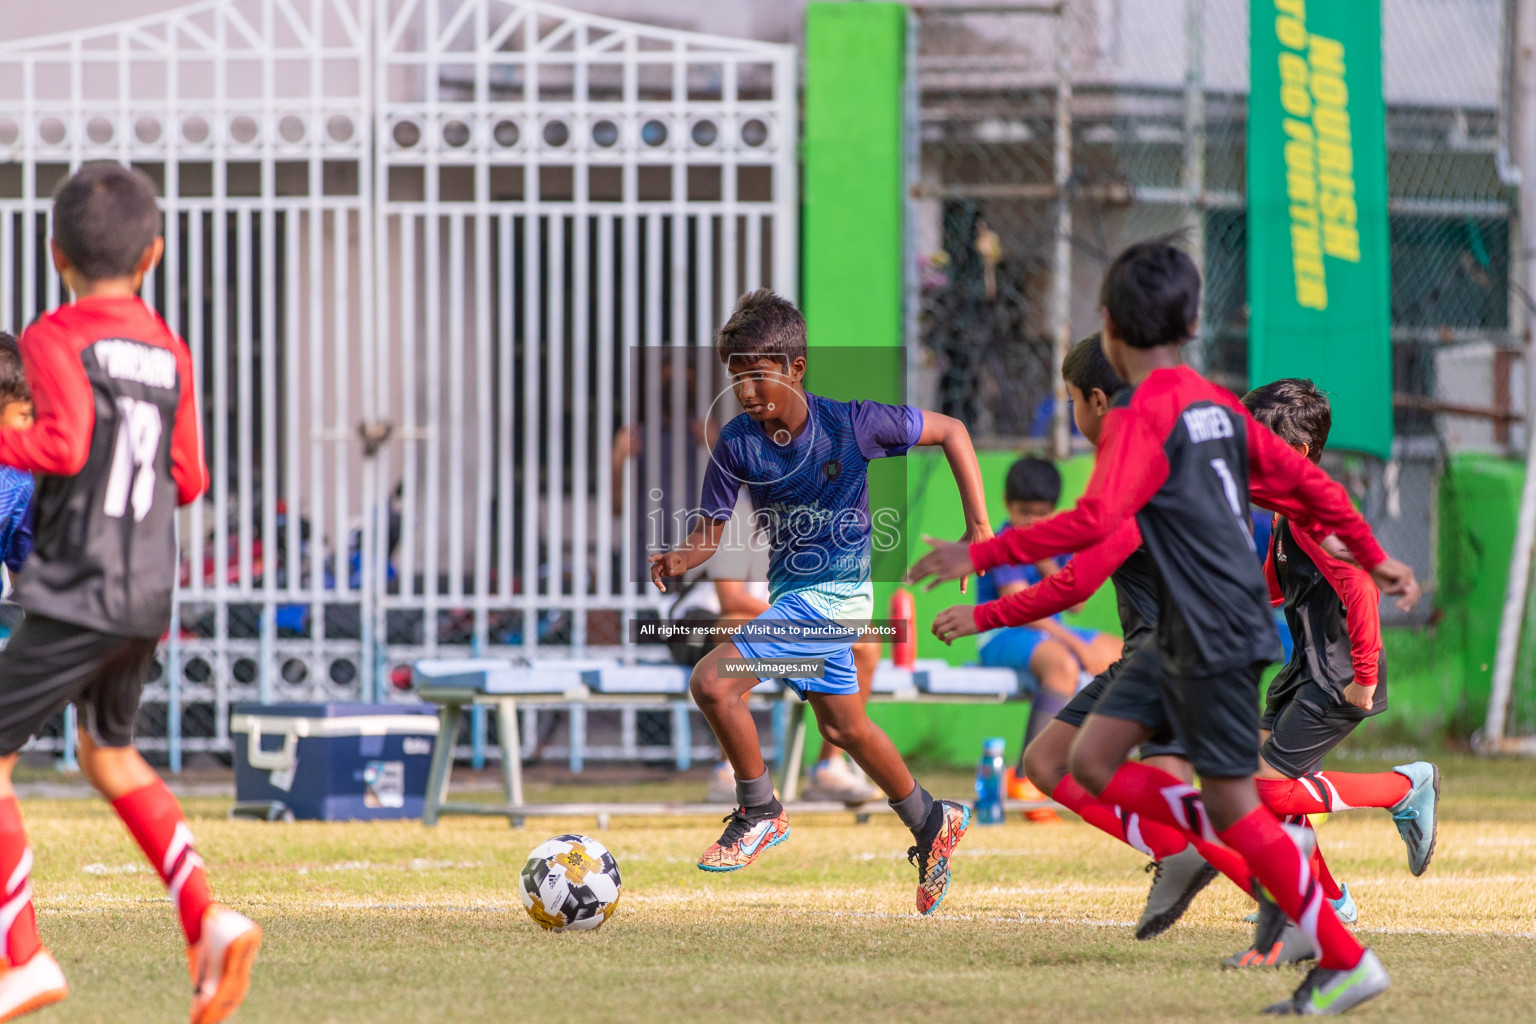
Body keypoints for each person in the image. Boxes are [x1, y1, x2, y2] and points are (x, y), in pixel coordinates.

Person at [910, 237, 1422, 1015]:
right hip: (1205, 630)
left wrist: (980, 552)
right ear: (1189, 325)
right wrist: (1377, 554)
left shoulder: (1143, 416)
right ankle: (1203, 853)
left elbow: (1091, 526)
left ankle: (1336, 943)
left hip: (1205, 637)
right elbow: (1303, 482)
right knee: (1087, 761)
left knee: (1223, 802)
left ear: (1110, 326)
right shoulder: (1211, 401)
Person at [0, 163, 259, 1023]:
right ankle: (207, 918)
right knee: (106, 755)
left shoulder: (54, 335)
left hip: (76, 587)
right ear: (152, 255)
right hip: (145, 590)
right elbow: (189, 478)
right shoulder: (169, 347)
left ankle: (23, 957)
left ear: (53, 253)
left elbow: (64, 444)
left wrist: (15, 444)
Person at [650, 289, 990, 915]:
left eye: (758, 374)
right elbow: (711, 532)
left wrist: (979, 528)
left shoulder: (853, 422)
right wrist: (681, 555)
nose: (747, 391)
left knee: (715, 683)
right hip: (794, 598)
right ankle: (930, 820)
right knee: (845, 726)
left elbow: (952, 431)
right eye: (736, 377)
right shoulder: (736, 444)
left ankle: (760, 809)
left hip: (833, 602)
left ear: (795, 369)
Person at [934, 333, 1229, 937]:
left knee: (1063, 760)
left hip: (1162, 649)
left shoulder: (1132, 468)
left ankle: (1248, 851)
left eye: (1070, 399)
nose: (1070, 413)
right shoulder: (1185, 448)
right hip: (1207, 641)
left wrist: (982, 609)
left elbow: (1075, 578)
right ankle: (1236, 863)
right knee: (1157, 773)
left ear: (1096, 401)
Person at [1222, 378, 1440, 966]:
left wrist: (1364, 680)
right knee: (1266, 787)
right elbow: (1274, 587)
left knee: (1266, 788)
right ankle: (1328, 899)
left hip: (1340, 675)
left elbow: (1361, 591)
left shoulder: (1316, 516)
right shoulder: (1286, 515)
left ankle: (1404, 786)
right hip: (1306, 667)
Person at [675, 494, 879, 805]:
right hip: (702, 622)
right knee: (740, 624)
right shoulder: (737, 514)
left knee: (867, 638)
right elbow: (731, 599)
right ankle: (728, 770)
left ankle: (829, 768)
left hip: (780, 630)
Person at [970, 454, 1122, 822]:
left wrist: (1041, 555)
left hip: (1053, 632)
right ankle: (1026, 778)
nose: (1033, 520)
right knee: (1063, 664)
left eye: (1042, 512)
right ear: (1007, 504)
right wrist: (1077, 646)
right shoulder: (1003, 541)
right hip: (1003, 634)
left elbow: (1079, 603)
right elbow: (1020, 607)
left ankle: (1104, 766)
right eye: (1025, 512)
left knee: (1127, 657)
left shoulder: (1055, 541)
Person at [0, 335, 35, 598]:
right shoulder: (19, 482)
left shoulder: (19, 482)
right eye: (24, 416)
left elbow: (22, 573)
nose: (31, 425)